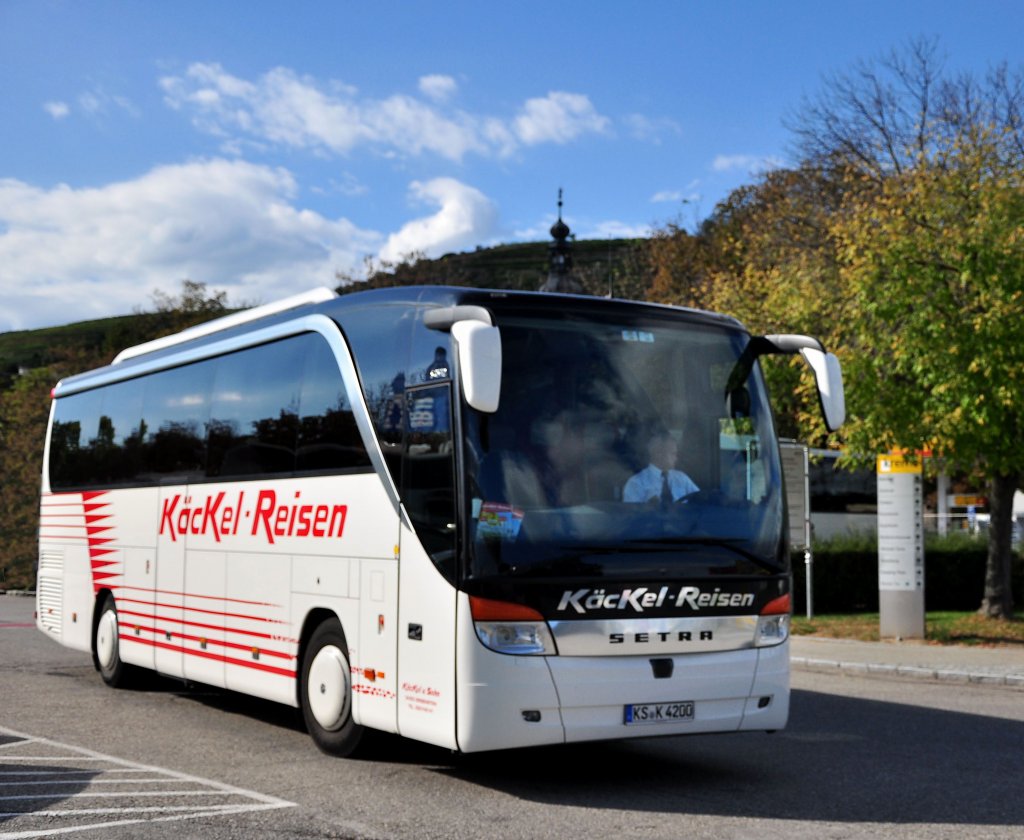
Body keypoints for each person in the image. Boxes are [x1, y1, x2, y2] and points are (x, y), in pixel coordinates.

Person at [623, 430, 698, 504]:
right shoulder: (636, 483)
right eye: (673, 454)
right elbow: (630, 514)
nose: (676, 458)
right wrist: (647, 508)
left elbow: (700, 500)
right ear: (659, 454)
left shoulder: (682, 479)